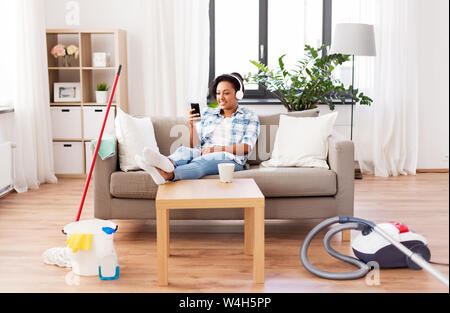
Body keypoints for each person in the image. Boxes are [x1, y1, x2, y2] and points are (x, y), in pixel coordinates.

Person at [135, 72, 260, 185]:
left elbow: (246, 147)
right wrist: (192, 125)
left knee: (203, 162)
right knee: (183, 151)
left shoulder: (249, 116)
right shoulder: (208, 113)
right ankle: (162, 165)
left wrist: (215, 149)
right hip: (204, 152)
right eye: (218, 93)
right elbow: (196, 146)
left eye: (226, 93)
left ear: (238, 94)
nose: (221, 97)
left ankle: (167, 174)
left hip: (232, 159)